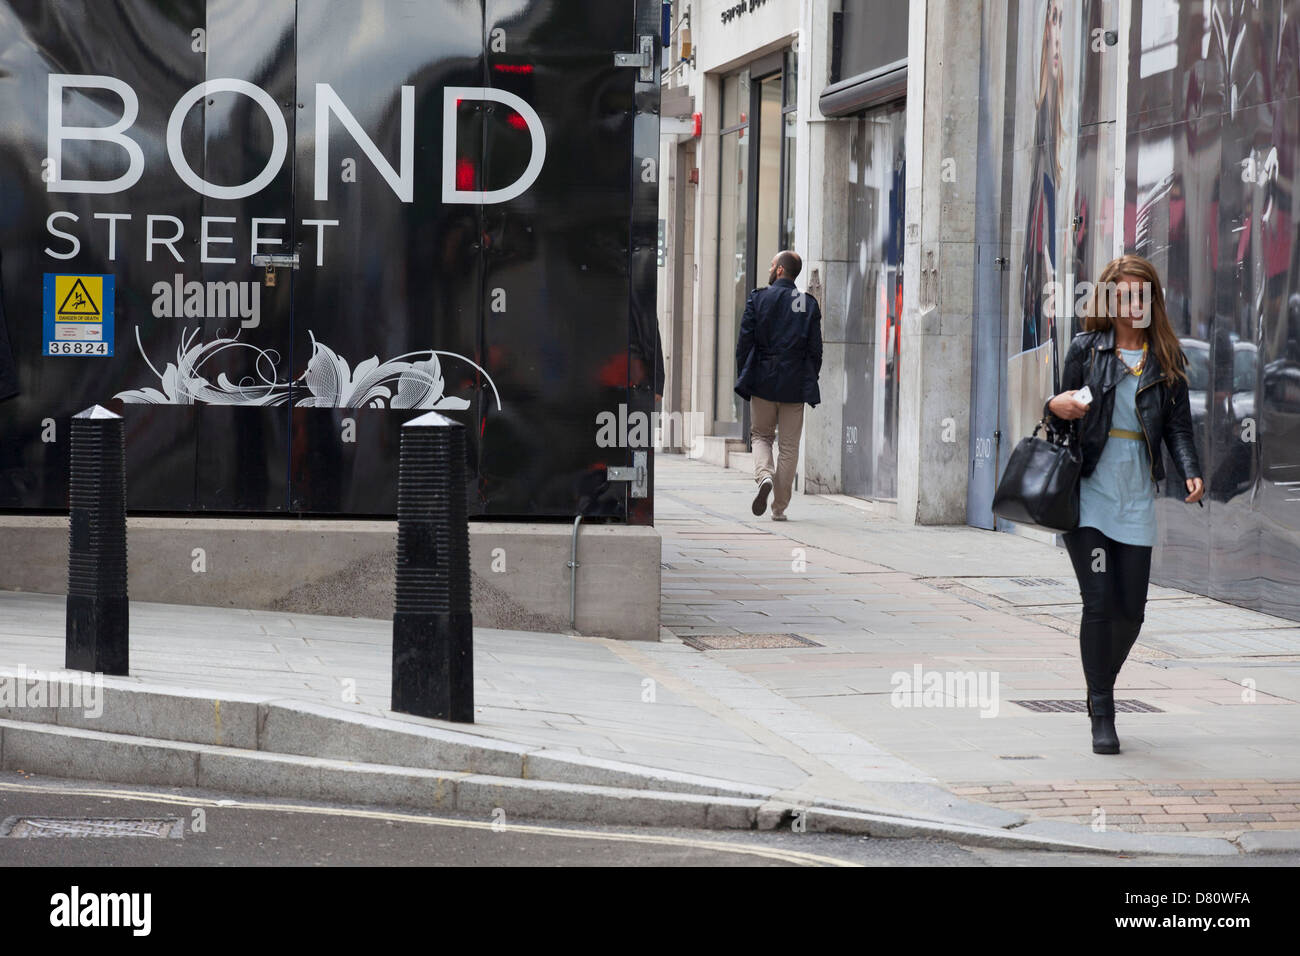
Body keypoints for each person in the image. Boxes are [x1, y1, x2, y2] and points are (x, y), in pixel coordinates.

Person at [1044, 254, 1204, 755]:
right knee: (1099, 602)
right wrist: (1055, 405)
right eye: (1124, 295)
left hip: (1135, 497)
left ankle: (1098, 684)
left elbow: (1178, 427)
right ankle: (1103, 710)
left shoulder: (1166, 360)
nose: (1133, 304)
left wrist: (1190, 468)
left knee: (1131, 612)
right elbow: (1057, 414)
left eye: (1141, 295)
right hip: (1088, 493)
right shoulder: (1086, 349)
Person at [734, 250, 822, 521]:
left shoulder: (759, 298)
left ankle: (764, 476)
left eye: (772, 265)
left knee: (761, 436)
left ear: (780, 270)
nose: (770, 269)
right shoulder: (807, 303)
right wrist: (809, 377)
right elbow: (815, 351)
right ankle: (779, 507)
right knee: (789, 447)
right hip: (794, 384)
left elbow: (744, 343)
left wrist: (746, 374)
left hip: (762, 380)